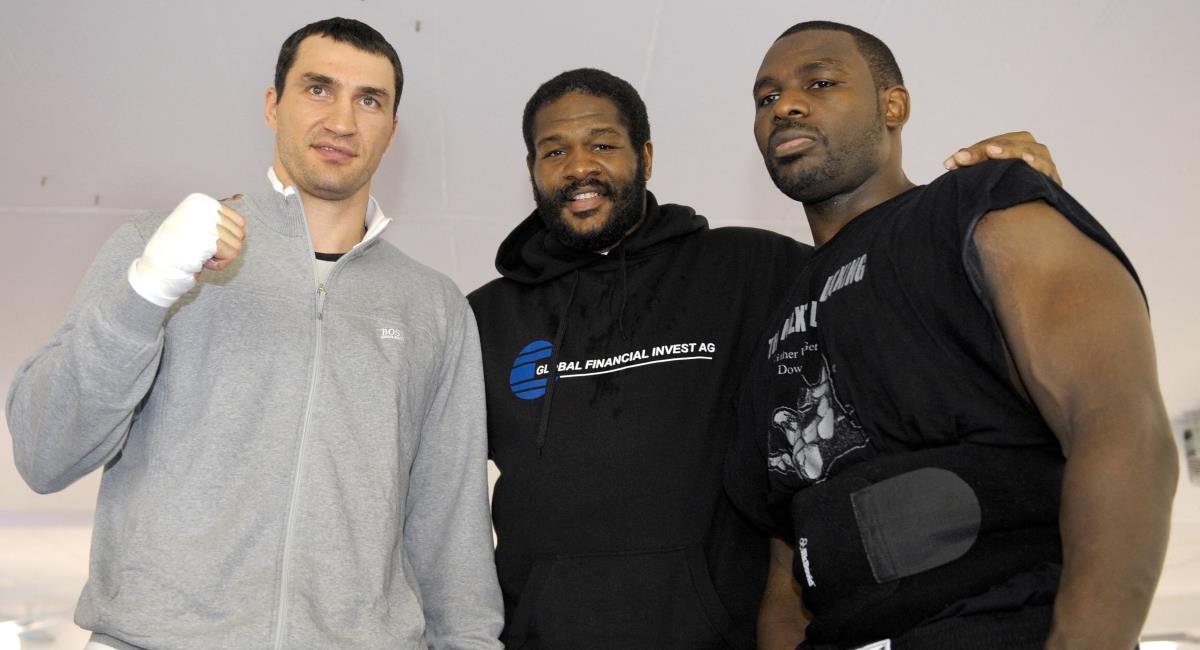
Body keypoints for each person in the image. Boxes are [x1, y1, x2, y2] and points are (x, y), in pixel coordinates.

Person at [467, 67, 1061, 649]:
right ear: (532, 168)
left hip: (724, 635)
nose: (579, 167)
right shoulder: (480, 318)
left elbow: (885, 280)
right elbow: (437, 499)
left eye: (602, 144)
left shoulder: (749, 267)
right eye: (554, 151)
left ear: (645, 156)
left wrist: (990, 208)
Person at [6, 17, 502, 649]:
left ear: (391, 130)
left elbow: (451, 529)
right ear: (273, 105)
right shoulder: (153, 249)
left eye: (369, 100)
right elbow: (44, 453)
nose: (342, 121)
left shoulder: (432, 306)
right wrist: (146, 290)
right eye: (318, 89)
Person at [726, 20, 1178, 650]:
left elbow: (1120, 424)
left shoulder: (980, 202)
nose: (786, 106)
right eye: (766, 97)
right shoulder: (776, 320)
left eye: (821, 82)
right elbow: (785, 571)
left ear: (893, 106)